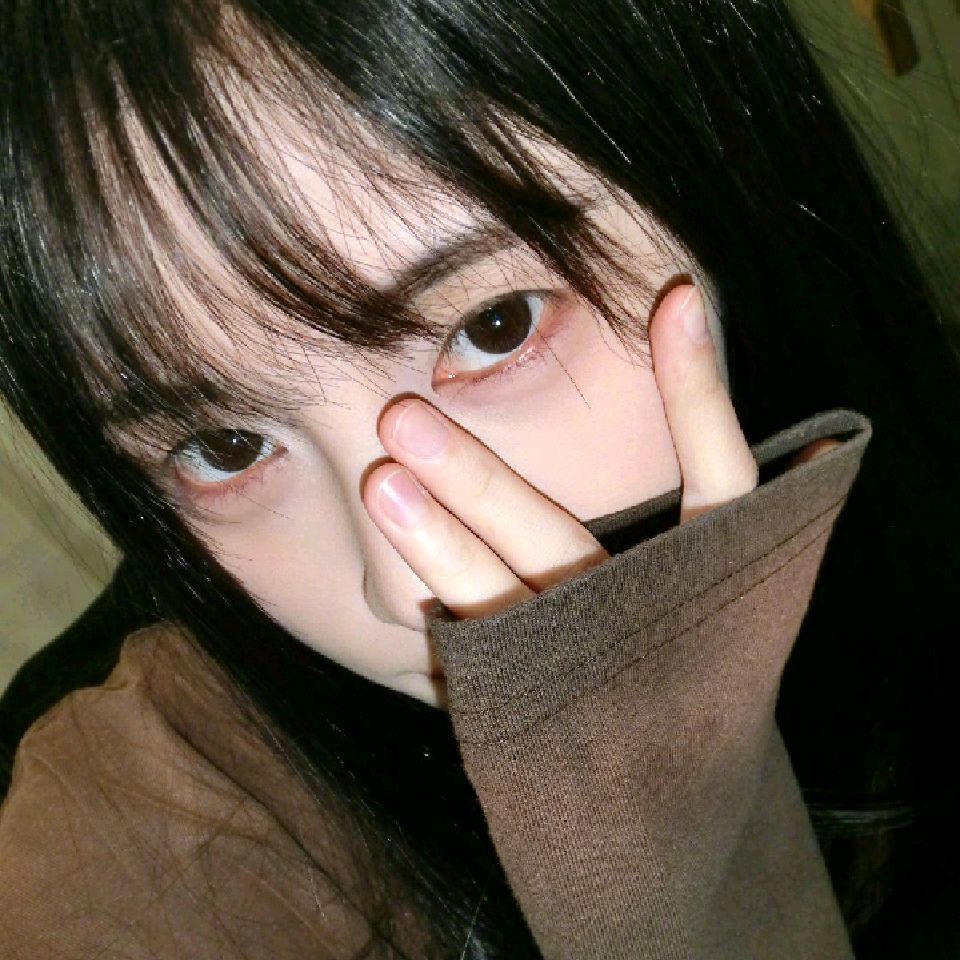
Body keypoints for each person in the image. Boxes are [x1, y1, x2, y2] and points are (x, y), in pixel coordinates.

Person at [0, 0, 957, 956]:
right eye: (226, 448)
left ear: (721, 175)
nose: (405, 588)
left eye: (495, 326)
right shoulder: (130, 841)